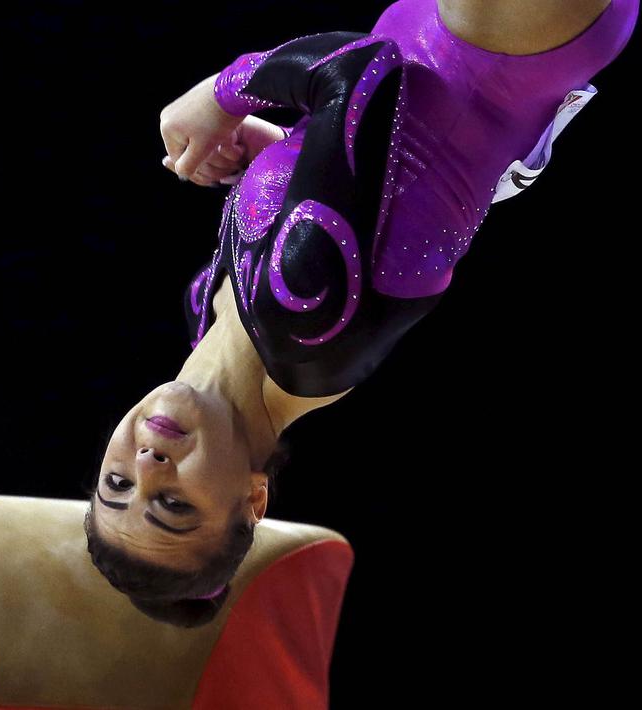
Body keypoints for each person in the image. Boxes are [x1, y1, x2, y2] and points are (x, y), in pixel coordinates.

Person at [82, 0, 637, 627]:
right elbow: (361, 67)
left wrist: (280, 150)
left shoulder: (210, 324)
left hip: (465, 41)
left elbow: (366, 191)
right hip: (495, 46)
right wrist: (222, 94)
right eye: (175, 504)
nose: (147, 467)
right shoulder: (306, 328)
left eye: (118, 485)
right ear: (254, 501)